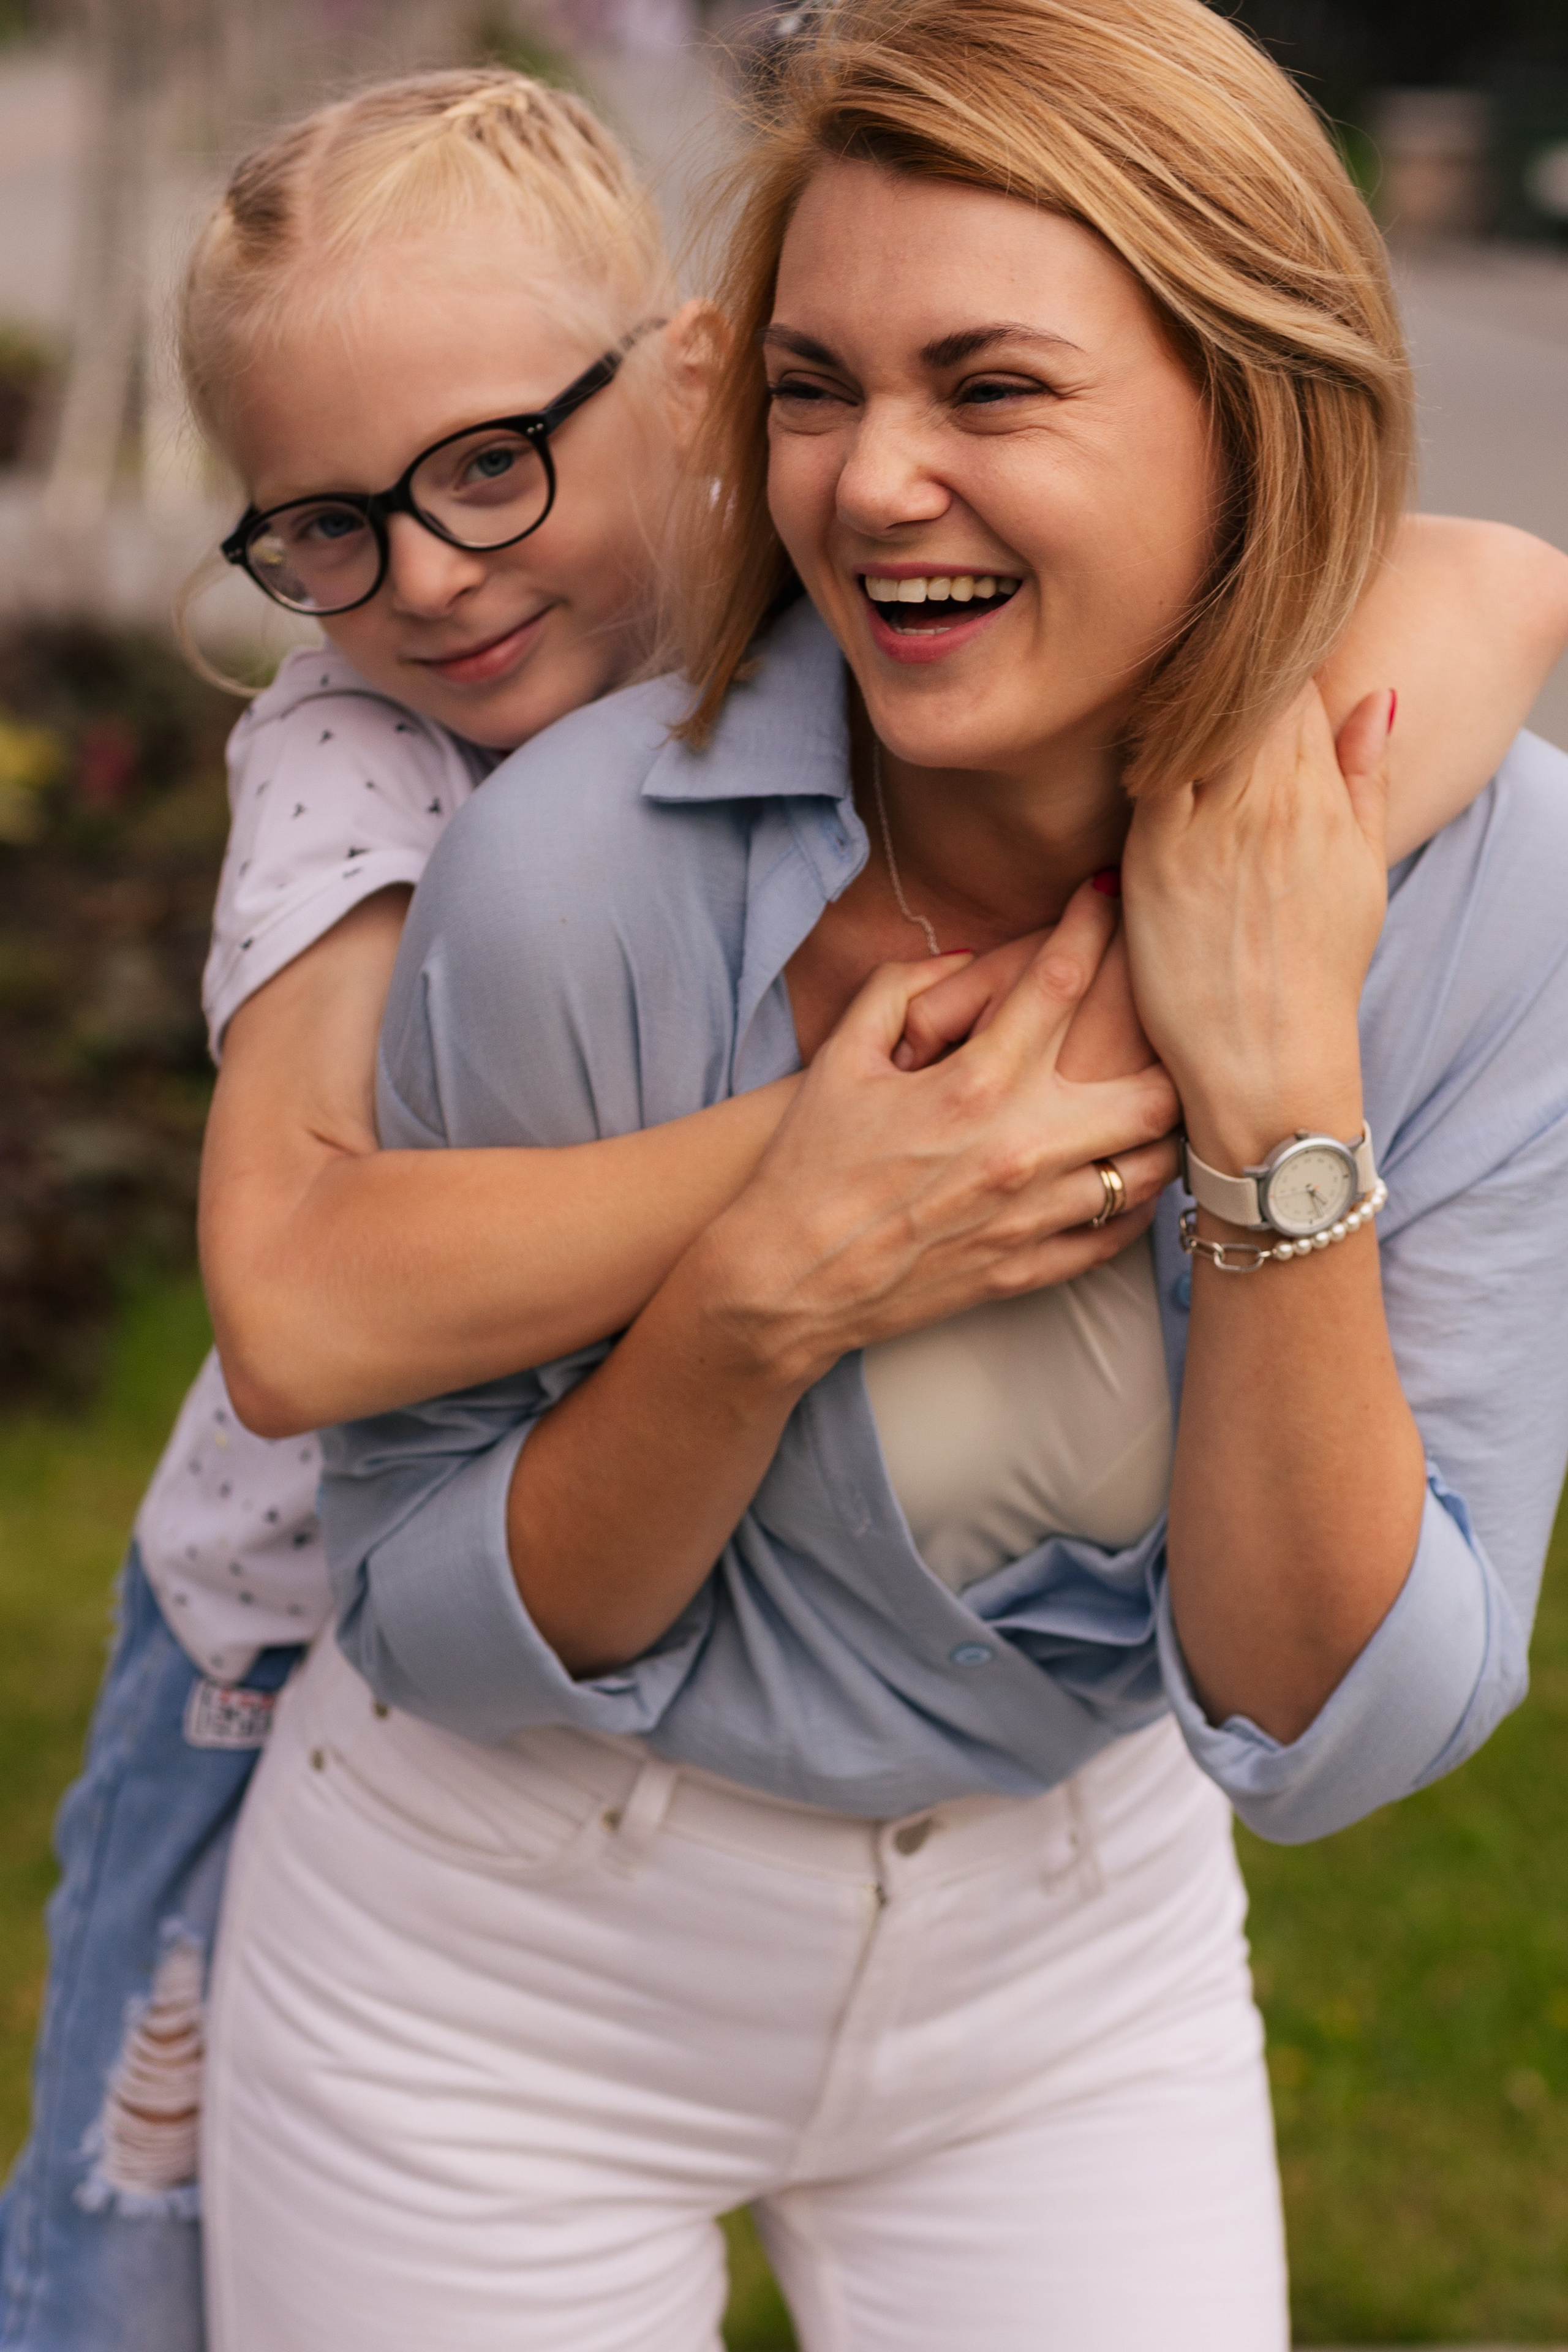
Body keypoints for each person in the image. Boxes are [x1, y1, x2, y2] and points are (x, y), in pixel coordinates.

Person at [0, 42, 1561, 2352]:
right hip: (398, 1787)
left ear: (684, 391)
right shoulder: (425, 800)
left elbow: (1491, 572)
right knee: (118, 2209)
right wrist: (817, 1195)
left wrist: (1254, 1032)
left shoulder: (1440, 852)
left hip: (1062, 1940)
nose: (424, 576)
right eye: (323, 524)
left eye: (495, 467)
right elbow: (304, 1318)